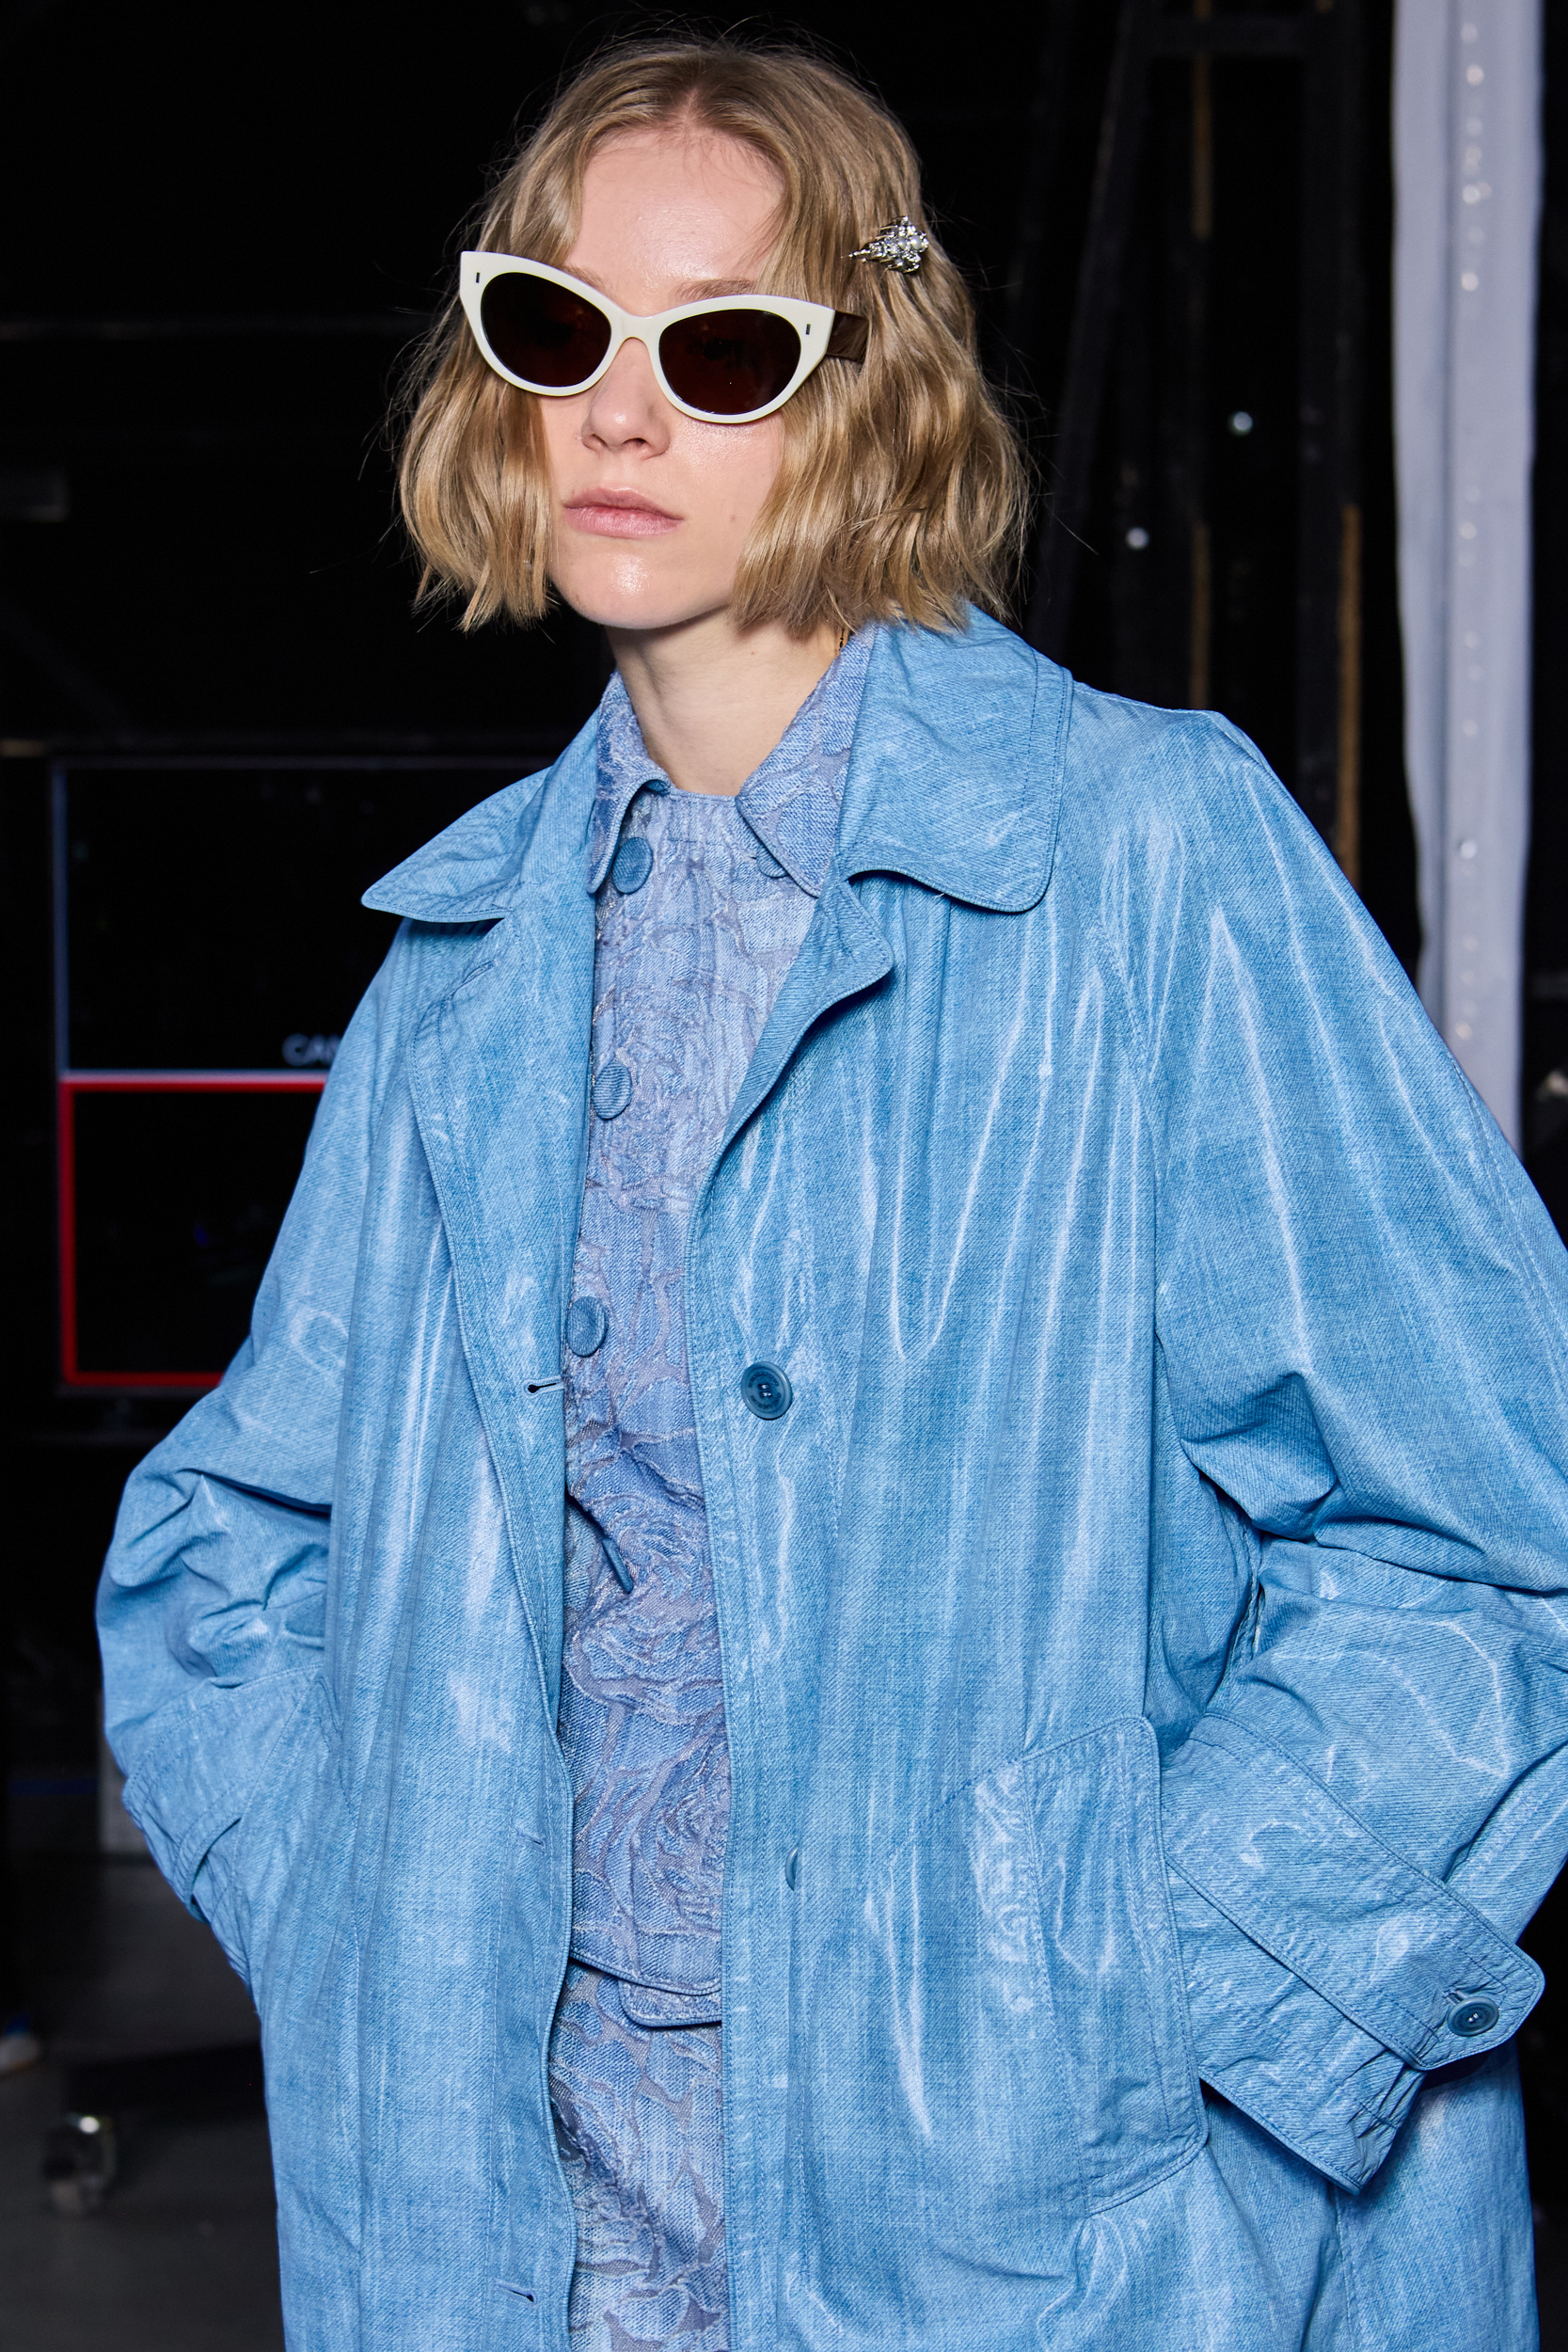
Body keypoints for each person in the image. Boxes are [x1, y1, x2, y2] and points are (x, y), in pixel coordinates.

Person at [99, 35, 1568, 2352]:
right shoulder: (466, 969)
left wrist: (1149, 2004)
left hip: (1044, 2245)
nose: (617, 411)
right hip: (524, 2246)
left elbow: (1491, 1531)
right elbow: (223, 1552)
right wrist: (385, 1936)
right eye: (559, 329)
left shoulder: (1142, 858)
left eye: (721, 349)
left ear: (865, 392)